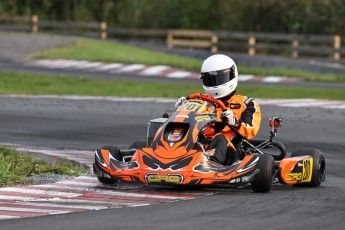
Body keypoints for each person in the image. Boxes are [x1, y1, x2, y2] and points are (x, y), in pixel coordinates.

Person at [175, 54, 261, 166]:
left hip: (230, 150)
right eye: (210, 80)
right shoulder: (200, 102)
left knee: (220, 138)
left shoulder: (246, 103)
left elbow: (250, 130)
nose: (215, 84)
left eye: (219, 78)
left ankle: (211, 165)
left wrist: (234, 122)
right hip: (201, 144)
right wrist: (181, 110)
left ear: (231, 75)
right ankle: (165, 157)